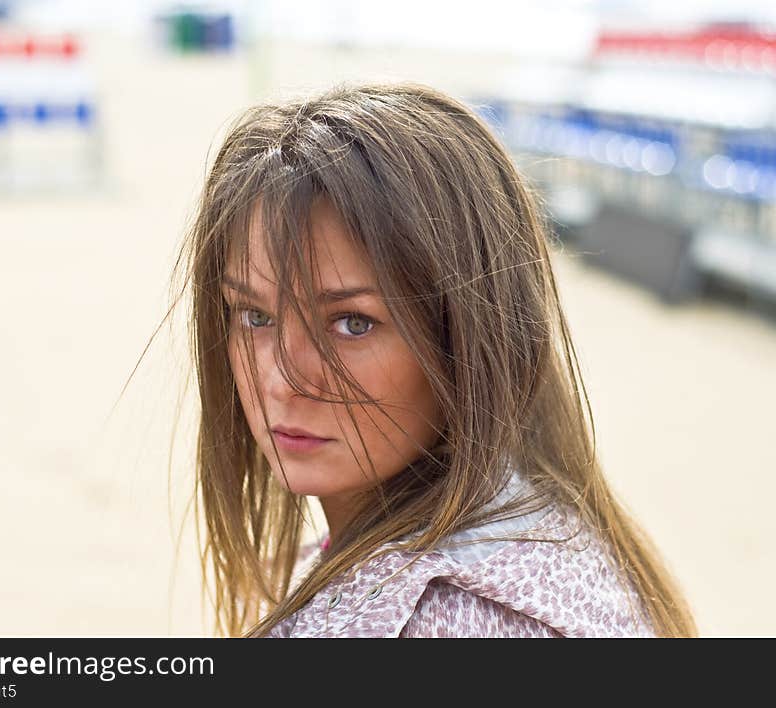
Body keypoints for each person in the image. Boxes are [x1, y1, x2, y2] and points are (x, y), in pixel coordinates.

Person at [163, 81, 697, 637]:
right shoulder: (542, 529)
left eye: (352, 323)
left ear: (469, 339)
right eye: (254, 317)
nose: (281, 378)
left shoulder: (444, 619)